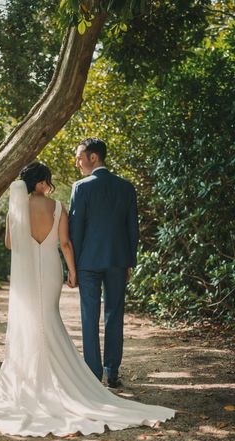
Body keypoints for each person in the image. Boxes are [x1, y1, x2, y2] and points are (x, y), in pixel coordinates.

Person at [0, 162, 175, 437]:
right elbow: (66, 243)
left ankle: (34, 381)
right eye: (48, 180)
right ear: (41, 182)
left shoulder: (16, 209)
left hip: (27, 272)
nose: (50, 184)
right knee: (49, 318)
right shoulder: (57, 207)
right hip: (50, 266)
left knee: (33, 321)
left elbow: (10, 244)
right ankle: (66, 379)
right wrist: (72, 271)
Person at [69, 137, 136, 388]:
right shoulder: (126, 187)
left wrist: (72, 267)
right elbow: (132, 228)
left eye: (79, 157)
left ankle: (92, 374)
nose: (77, 162)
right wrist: (130, 261)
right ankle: (113, 372)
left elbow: (76, 230)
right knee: (114, 314)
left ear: (93, 157)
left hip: (88, 262)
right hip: (118, 259)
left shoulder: (81, 187)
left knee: (89, 317)